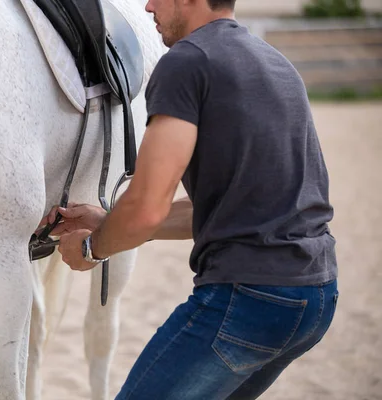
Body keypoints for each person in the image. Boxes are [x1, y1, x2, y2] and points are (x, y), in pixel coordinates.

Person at [38, 0, 339, 398]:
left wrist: (93, 248)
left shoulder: (187, 62)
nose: (147, 6)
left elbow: (147, 206)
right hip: (314, 298)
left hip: (248, 297)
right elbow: (226, 208)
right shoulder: (275, 63)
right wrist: (108, 219)